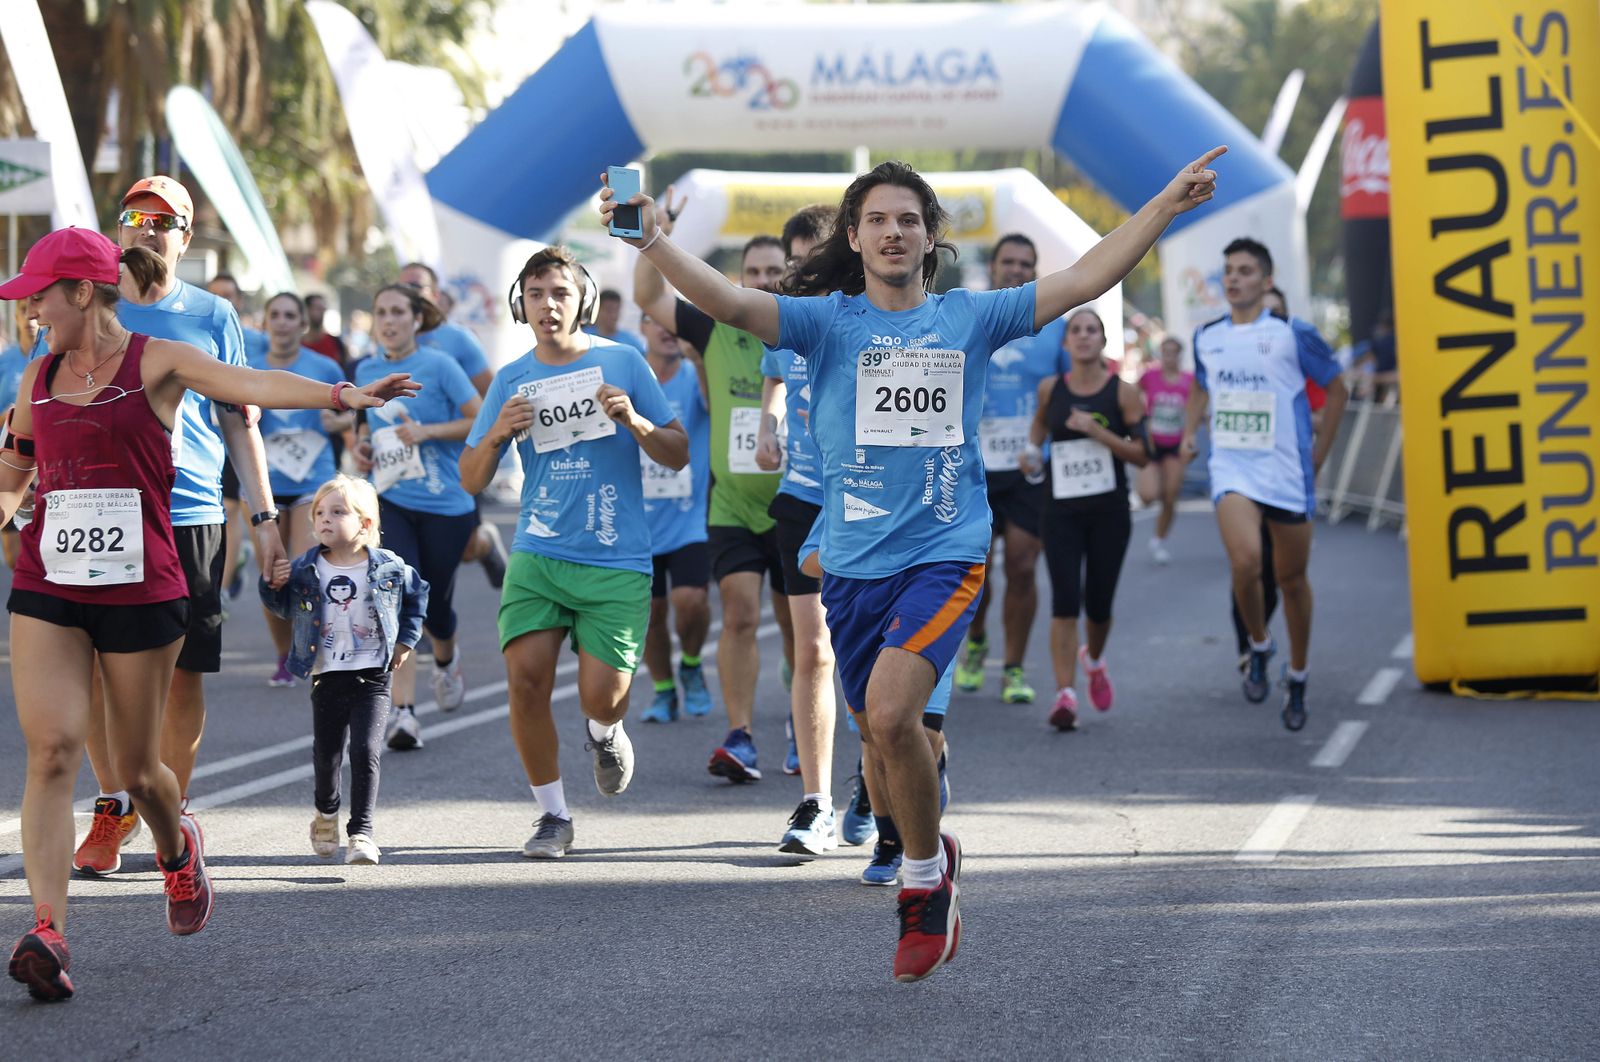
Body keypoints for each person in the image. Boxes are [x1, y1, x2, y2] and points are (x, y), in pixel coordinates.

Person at [603, 146, 1225, 981]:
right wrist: (647, 242)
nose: (893, 233)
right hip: (852, 563)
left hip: (946, 550)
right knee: (884, 744)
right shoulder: (824, 321)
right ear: (855, 240)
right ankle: (933, 836)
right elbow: (723, 298)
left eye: (908, 220)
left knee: (895, 718)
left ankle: (924, 887)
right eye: (876, 221)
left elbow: (1083, 278)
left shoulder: (970, 318)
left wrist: (1163, 205)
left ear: (930, 237)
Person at [1, 227, 415, 1002]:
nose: (30, 310)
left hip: (141, 585)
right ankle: (48, 930)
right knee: (54, 751)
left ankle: (175, 846)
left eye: (40, 296)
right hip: (51, 582)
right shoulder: (38, 375)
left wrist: (339, 396)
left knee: (138, 773)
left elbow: (249, 386)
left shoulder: (156, 362)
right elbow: (15, 468)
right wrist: (5, 514)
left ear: (84, 293)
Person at [71, 176, 287, 879]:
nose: (148, 230)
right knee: (102, 670)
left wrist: (263, 517)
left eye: (166, 221)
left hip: (190, 511)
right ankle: (112, 805)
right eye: (136, 217)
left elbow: (238, 417)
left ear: (186, 239)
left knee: (184, 675)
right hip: (101, 508)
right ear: (120, 228)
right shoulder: (90, 301)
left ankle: (173, 805)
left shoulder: (211, 314)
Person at [460, 246, 687, 859]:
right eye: (536, 294)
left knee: (603, 696)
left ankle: (604, 730)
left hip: (615, 557)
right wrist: (500, 432)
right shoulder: (511, 379)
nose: (548, 304)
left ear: (581, 299)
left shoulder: (623, 361)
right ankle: (553, 816)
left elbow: (677, 450)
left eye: (559, 292)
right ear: (521, 305)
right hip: (539, 551)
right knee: (525, 682)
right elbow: (472, 478)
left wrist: (636, 422)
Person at [633, 203, 796, 785]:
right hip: (730, 504)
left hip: (798, 502)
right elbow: (649, 297)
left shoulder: (804, 324)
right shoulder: (713, 324)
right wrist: (656, 234)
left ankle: (803, 721)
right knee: (741, 617)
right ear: (739, 279)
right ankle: (741, 734)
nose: (764, 281)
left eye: (775, 270)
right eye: (753, 272)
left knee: (801, 626)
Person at [1181, 237, 1347, 731]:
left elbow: (1337, 388)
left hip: (1287, 472)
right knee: (1246, 561)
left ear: (1266, 281)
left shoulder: (1294, 334)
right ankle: (1258, 642)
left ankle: (1297, 672)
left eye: (1246, 270)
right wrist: (1191, 430)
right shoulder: (1207, 336)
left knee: (1292, 582)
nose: (1233, 278)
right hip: (1233, 467)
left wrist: (1319, 454)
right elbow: (1201, 386)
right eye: (1228, 270)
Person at [260, 475, 428, 866]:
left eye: (338, 512)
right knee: (327, 754)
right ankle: (326, 811)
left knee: (366, 750)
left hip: (373, 675)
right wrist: (272, 585)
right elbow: (285, 608)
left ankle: (362, 833)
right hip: (326, 673)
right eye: (319, 513)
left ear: (366, 524)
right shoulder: (306, 568)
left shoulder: (387, 566)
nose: (325, 519)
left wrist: (406, 640)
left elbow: (418, 594)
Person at [351, 283, 482, 750]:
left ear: (416, 318)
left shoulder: (441, 365)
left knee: (438, 612)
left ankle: (446, 661)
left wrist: (428, 431)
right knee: (398, 596)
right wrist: (361, 448)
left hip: (448, 504)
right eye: (381, 312)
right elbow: (362, 429)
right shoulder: (365, 370)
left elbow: (480, 418)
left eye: (398, 312)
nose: (389, 321)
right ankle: (403, 713)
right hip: (392, 503)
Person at [755, 203, 842, 854]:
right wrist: (768, 421)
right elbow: (776, 379)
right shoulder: (785, 324)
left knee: (867, 656)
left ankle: (879, 783)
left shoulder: (874, 316)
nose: (804, 270)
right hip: (802, 498)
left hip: (872, 507)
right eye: (797, 260)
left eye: (816, 256)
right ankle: (816, 802)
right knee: (811, 650)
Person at [953, 233, 1068, 703]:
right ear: (995, 267)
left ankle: (1015, 668)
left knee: (1022, 566)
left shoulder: (1054, 326)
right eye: (1009, 262)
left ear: (1035, 270)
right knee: (974, 570)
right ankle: (977, 641)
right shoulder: (971, 317)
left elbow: (1070, 389)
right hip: (972, 465)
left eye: (1026, 263)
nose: (1017, 269)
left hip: (1028, 466)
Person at [1022, 309, 1149, 730]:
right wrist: (1029, 451)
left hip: (1109, 511)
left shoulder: (1124, 393)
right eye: (1075, 330)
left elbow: (1142, 453)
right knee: (1063, 600)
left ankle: (1093, 659)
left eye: (1091, 330)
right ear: (1065, 343)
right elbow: (1040, 426)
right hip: (1059, 509)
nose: (1082, 336)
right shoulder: (1050, 389)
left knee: (1098, 604)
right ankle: (1065, 695)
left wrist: (1100, 433)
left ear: (1102, 341)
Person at [249, 293, 352, 686]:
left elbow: (351, 416)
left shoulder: (323, 366)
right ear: (265, 321)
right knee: (272, 575)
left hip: (313, 478)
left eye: (290, 315)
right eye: (274, 314)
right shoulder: (250, 369)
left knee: (301, 570)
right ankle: (283, 653)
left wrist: (338, 423)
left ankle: (311, 647)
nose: (282, 322)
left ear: (302, 324)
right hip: (263, 483)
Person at [397, 263, 509, 588]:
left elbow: (490, 395)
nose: (409, 292)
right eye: (403, 286)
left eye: (417, 286)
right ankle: (423, 632)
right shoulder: (387, 339)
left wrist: (472, 437)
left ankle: (484, 541)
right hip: (402, 461)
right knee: (407, 557)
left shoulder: (456, 339)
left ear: (433, 295)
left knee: (464, 549)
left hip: (452, 461)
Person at [637, 311, 714, 723]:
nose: (667, 329)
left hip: (690, 519)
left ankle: (691, 662)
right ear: (643, 328)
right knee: (651, 613)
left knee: (691, 600)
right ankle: (664, 690)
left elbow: (716, 405)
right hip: (639, 521)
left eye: (674, 321)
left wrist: (700, 359)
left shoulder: (692, 374)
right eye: (656, 320)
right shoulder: (630, 377)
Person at [1136, 336, 1193, 564]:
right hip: (1151, 444)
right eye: (1165, 353)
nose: (1169, 357)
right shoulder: (1149, 377)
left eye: (1173, 353)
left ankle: (1158, 540)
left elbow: (1196, 409)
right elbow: (1131, 395)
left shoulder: (1189, 381)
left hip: (1175, 445)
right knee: (1148, 496)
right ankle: (1153, 483)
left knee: (1171, 496)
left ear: (1180, 355)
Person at [0, 301, 37, 570]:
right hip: (11, 461)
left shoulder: (58, 350)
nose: (30, 317)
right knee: (14, 555)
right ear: (15, 317)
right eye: (22, 310)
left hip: (47, 464)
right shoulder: (5, 361)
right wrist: (12, 418)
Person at [303, 293, 349, 369]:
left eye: (323, 309)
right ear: (306, 310)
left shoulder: (336, 343)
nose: (321, 312)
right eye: (317, 308)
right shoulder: (296, 345)